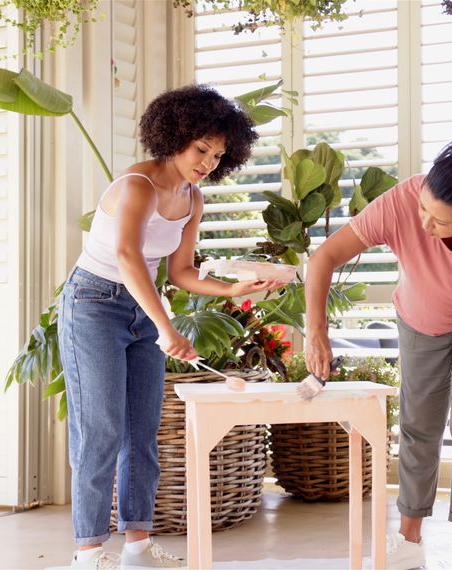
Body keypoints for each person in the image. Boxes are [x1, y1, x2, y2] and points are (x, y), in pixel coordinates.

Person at [59, 84, 285, 570]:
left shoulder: (193, 198)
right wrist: (166, 326)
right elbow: (126, 257)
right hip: (94, 302)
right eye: (200, 148)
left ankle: (137, 548)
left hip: (142, 308)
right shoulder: (137, 185)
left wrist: (230, 291)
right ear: (175, 135)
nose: (206, 161)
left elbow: (179, 271)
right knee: (100, 429)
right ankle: (89, 553)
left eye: (217, 155)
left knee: (142, 431)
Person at [304, 139, 452, 570]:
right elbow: (324, 257)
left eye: (439, 220)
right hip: (421, 319)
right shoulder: (402, 200)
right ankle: (410, 537)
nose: (424, 223)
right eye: (424, 209)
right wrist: (317, 333)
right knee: (418, 423)